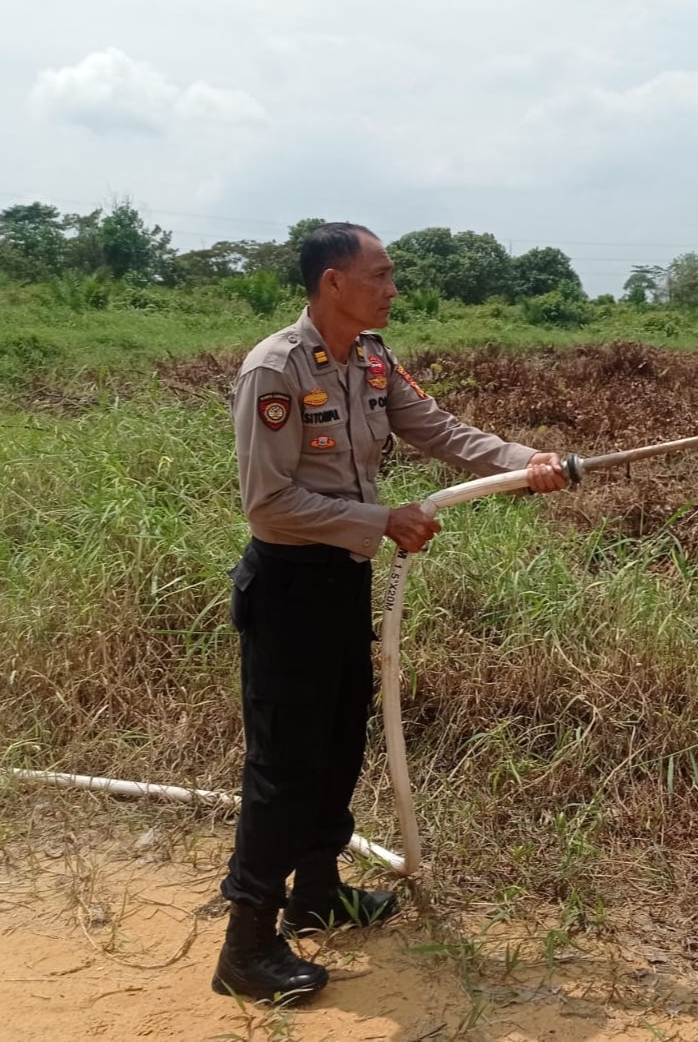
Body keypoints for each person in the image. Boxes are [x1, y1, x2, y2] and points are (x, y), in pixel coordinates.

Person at [212, 222, 570, 1002]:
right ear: (333, 282)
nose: (393, 288)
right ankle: (245, 947)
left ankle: (317, 892)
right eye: (380, 274)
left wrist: (524, 462)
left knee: (340, 741)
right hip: (287, 589)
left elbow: (438, 431)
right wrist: (382, 522)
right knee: (284, 765)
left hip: (343, 583)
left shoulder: (371, 358)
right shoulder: (273, 369)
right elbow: (267, 502)